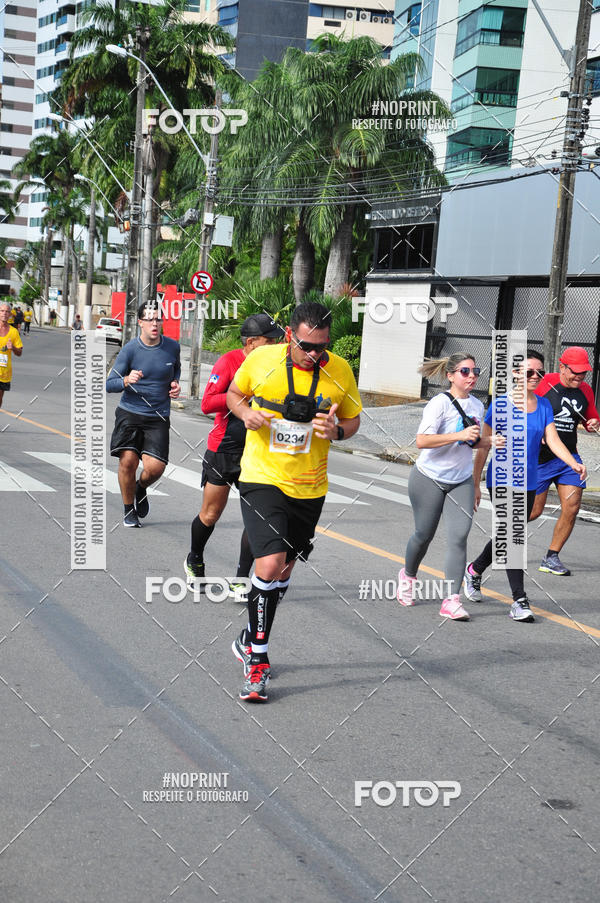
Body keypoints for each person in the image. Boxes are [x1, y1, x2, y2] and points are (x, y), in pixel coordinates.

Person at [226, 301, 362, 702]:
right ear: (289, 335)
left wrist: (335, 430)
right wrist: (245, 413)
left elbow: (353, 421)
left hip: (310, 486)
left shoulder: (339, 370)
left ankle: (250, 634)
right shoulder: (262, 360)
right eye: (307, 346)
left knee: (283, 569)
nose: (315, 354)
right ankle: (258, 659)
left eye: (323, 346)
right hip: (261, 477)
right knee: (268, 563)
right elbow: (234, 394)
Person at [464, 351, 587, 622]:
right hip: (502, 480)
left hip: (529, 482)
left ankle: (474, 569)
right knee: (513, 536)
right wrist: (475, 483)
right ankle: (519, 600)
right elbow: (483, 448)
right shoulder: (500, 406)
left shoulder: (543, 406)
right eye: (528, 372)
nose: (534, 377)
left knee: (508, 535)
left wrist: (573, 463)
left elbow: (553, 440)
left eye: (539, 372)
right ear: (516, 374)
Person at [184, 313, 285, 600]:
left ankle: (241, 578)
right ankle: (194, 558)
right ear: (252, 343)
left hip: (259, 452)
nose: (276, 344)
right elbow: (206, 403)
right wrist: (243, 398)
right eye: (270, 340)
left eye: (277, 339)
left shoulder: (277, 365)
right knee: (211, 513)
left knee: (257, 517)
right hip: (225, 448)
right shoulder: (229, 362)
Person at [398, 353, 497, 622]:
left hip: (461, 480)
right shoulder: (439, 404)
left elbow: (471, 443)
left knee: (458, 537)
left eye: (475, 371)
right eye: (465, 371)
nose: (472, 376)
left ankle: (452, 600)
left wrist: (490, 442)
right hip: (428, 477)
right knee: (423, 535)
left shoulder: (477, 406)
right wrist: (459, 435)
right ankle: (407, 576)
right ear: (451, 375)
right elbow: (421, 441)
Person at [106, 301, 181, 528]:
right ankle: (129, 510)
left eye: (158, 318)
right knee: (128, 461)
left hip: (158, 416)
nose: (154, 323)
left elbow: (175, 368)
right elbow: (110, 384)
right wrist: (127, 380)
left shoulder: (172, 347)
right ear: (140, 322)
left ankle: (141, 488)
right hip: (130, 412)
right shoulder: (130, 349)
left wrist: (175, 383)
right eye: (149, 319)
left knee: (156, 468)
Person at [528, 346, 599, 576]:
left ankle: (551, 557)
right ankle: (504, 533)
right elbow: (524, 409)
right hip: (540, 458)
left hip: (568, 457)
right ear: (562, 367)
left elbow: (591, 416)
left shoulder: (585, 390)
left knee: (572, 505)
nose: (579, 377)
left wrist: (593, 423)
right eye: (575, 372)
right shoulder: (544, 382)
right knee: (534, 511)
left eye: (583, 373)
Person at [0, 301, 24, 408]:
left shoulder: (14, 332)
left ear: (10, 314)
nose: (4, 313)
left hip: (4, 372)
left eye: (7, 312)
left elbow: (19, 353)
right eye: (2, 311)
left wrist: (13, 348)